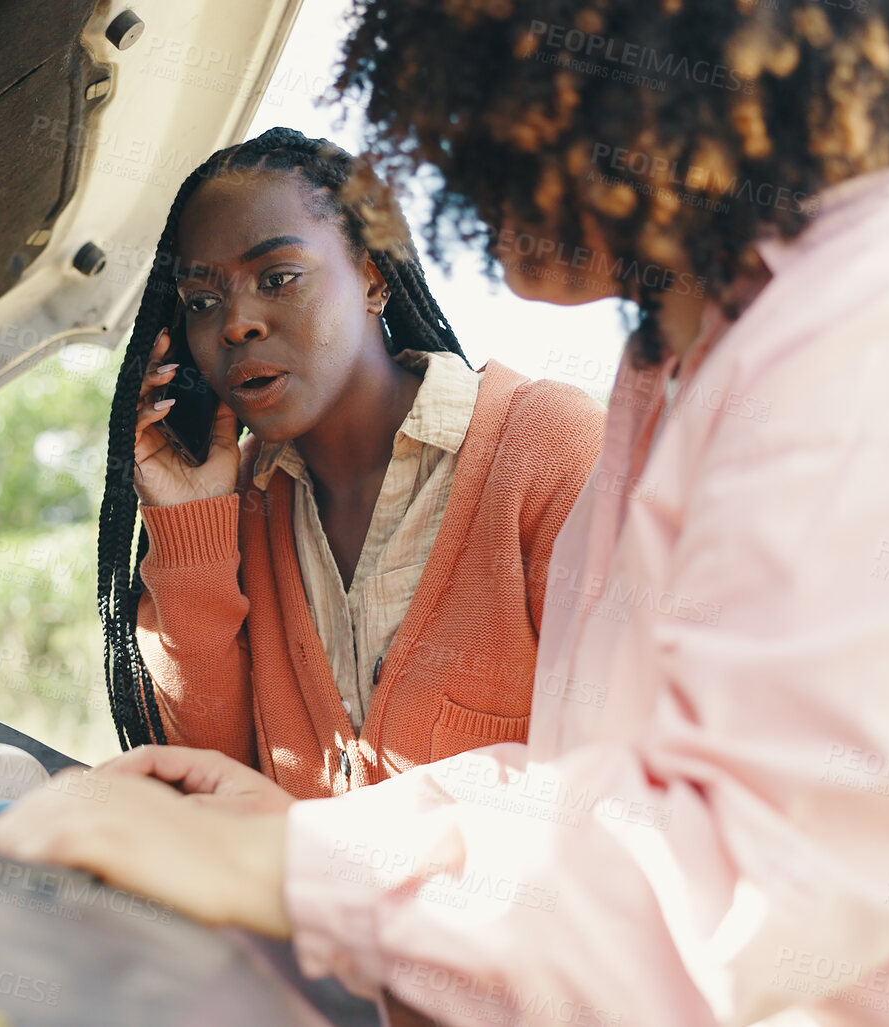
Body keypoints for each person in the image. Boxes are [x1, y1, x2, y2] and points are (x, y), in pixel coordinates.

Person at [0, 2, 889, 1024]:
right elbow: (607, 784)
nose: (439, 158)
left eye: (478, 96)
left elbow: (748, 874)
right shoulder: (683, 363)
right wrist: (302, 836)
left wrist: (297, 876)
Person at [98, 127, 605, 801]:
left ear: (372, 276)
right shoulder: (239, 506)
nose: (235, 323)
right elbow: (213, 791)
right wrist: (189, 528)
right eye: (201, 302)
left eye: (276, 278)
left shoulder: (546, 450)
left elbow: (625, 784)